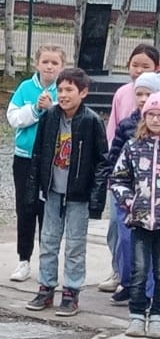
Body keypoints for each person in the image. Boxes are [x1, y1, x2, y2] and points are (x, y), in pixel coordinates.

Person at [25, 67, 110, 317]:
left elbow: (102, 161)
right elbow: (38, 154)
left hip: (78, 194)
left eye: (69, 90)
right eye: (60, 90)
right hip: (52, 190)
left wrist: (95, 199)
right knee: (48, 240)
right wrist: (34, 188)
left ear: (83, 92)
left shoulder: (92, 121)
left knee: (74, 244)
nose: (63, 95)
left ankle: (71, 291)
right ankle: (46, 287)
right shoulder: (49, 117)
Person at [99, 44, 160, 293]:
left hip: (153, 197)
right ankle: (124, 278)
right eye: (134, 64)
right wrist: (113, 180)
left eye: (145, 65)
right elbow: (114, 143)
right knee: (122, 233)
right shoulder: (124, 107)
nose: (143, 99)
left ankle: (149, 291)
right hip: (129, 191)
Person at [5, 45, 64, 282]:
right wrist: (35, 109)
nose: (49, 67)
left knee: (49, 213)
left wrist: (52, 109)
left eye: (55, 63)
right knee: (25, 209)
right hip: (25, 158)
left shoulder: (64, 89)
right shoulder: (25, 88)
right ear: (37, 63)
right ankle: (23, 260)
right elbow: (13, 117)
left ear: (62, 66)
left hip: (53, 160)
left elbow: (66, 120)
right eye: (45, 62)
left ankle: (48, 264)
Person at [110, 92, 160, 338]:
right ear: (144, 117)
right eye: (152, 115)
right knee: (139, 269)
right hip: (140, 220)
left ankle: (158, 316)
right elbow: (118, 179)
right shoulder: (133, 147)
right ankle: (137, 315)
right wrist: (130, 202)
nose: (156, 120)